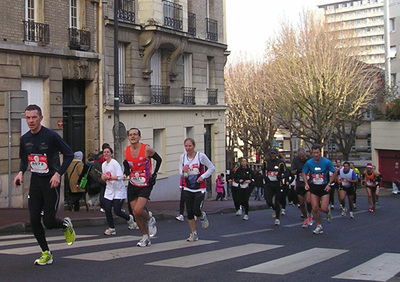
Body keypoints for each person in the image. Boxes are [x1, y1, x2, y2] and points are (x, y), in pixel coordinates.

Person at [13, 104, 75, 266]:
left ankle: (65, 225)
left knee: (48, 221)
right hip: (35, 182)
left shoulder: (51, 136)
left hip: (50, 182)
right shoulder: (24, 139)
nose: (31, 121)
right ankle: (46, 253)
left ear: (41, 118)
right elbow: (24, 159)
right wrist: (20, 172)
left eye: (34, 117)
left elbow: (69, 154)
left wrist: (58, 174)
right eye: (28, 118)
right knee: (33, 219)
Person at [124, 128, 162, 247]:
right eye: (130, 135)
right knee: (135, 214)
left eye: (135, 134)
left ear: (139, 137)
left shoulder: (146, 149)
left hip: (145, 183)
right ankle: (145, 237)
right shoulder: (127, 150)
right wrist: (126, 172)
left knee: (138, 210)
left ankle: (150, 219)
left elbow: (159, 159)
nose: (133, 137)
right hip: (133, 183)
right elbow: (126, 163)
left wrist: (154, 174)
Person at [180, 138, 215, 241]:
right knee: (189, 212)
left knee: (196, 209)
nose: (188, 148)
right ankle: (193, 233)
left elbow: (212, 168)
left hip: (199, 188)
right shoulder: (182, 158)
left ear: (194, 146)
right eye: (186, 146)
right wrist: (185, 171)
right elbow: (182, 174)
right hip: (188, 187)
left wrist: (202, 177)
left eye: (190, 146)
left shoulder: (201, 156)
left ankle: (201, 215)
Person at [301, 144, 337, 235]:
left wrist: (330, 184)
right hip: (314, 187)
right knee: (315, 208)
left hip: (324, 187)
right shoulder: (309, 163)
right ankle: (318, 226)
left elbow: (335, 172)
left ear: (320, 152)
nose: (315, 155)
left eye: (317, 153)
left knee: (323, 208)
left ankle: (327, 211)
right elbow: (304, 173)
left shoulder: (326, 162)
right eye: (314, 153)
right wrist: (306, 183)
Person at [100, 146, 135, 235]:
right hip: (109, 190)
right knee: (107, 209)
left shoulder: (115, 163)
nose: (106, 154)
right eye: (104, 152)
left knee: (117, 210)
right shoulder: (103, 165)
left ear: (111, 154)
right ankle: (111, 228)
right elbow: (104, 176)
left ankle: (129, 219)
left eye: (108, 152)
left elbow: (120, 177)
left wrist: (110, 177)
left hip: (118, 190)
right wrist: (104, 178)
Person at [263, 148, 289, 226]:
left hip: (278, 184)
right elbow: (263, 171)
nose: (273, 155)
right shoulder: (266, 162)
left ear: (277, 154)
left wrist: (280, 177)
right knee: (268, 201)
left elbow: (286, 172)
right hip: (269, 184)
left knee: (277, 201)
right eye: (271, 154)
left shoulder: (280, 162)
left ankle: (277, 218)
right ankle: (274, 208)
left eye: (274, 154)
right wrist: (265, 177)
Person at [291, 148, 313, 228]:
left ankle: (310, 214)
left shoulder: (311, 159)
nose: (301, 158)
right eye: (300, 157)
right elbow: (292, 171)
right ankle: (305, 218)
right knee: (301, 203)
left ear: (306, 154)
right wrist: (298, 171)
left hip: (309, 183)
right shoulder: (296, 160)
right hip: (300, 183)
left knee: (308, 201)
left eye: (303, 157)